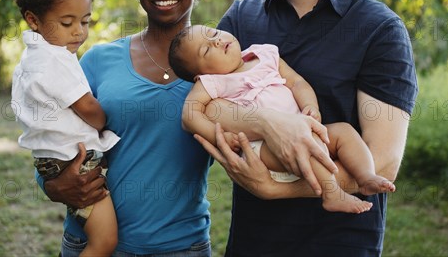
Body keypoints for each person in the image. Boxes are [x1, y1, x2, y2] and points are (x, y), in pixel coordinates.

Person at [193, 0, 419, 256]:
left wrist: (275, 188)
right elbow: (203, 107)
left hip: (340, 243)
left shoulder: (379, 29)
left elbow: (382, 164)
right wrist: (265, 121)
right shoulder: (241, 21)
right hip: (253, 243)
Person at [35, 0, 213, 256]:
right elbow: (49, 135)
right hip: (89, 244)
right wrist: (53, 185)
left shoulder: (218, 70)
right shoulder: (99, 60)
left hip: (181, 246)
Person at [170, 24, 396, 213]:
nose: (217, 42)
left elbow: (297, 82)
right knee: (310, 144)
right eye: (206, 51)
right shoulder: (212, 82)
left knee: (344, 131)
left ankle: (365, 176)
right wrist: (221, 137)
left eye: (213, 33)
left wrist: (310, 106)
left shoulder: (265, 54)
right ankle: (332, 194)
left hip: (302, 125)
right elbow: (190, 115)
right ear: (201, 73)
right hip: (264, 149)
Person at [12, 0, 120, 257]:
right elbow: (88, 108)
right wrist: (106, 120)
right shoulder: (54, 59)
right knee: (104, 241)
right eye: (67, 22)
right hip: (75, 162)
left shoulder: (33, 58)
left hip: (53, 161)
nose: (79, 32)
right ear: (33, 19)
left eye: (85, 21)